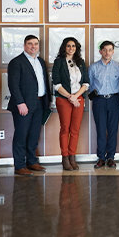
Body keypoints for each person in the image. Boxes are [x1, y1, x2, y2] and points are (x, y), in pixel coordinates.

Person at [8, 35, 52, 176]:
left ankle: (32, 162)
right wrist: (20, 103)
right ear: (24, 45)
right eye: (30, 44)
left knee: (34, 135)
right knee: (21, 135)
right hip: (24, 105)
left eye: (36, 44)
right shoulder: (16, 62)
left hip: (39, 103)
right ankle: (19, 165)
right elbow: (13, 85)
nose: (33, 46)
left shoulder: (40, 61)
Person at [52, 37, 89, 171]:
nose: (71, 48)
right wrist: (69, 97)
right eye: (68, 46)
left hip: (78, 99)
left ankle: (72, 156)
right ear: (64, 47)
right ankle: (65, 157)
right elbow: (56, 83)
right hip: (63, 99)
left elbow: (86, 83)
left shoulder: (80, 62)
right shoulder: (59, 62)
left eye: (73, 46)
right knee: (65, 128)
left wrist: (76, 96)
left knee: (75, 130)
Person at [89, 40, 119, 168]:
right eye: (104, 50)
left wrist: (113, 94)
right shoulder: (93, 67)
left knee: (112, 130)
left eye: (110, 50)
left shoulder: (118, 68)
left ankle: (110, 157)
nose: (107, 52)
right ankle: (101, 157)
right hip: (98, 101)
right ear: (100, 51)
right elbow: (90, 86)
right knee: (100, 129)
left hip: (113, 100)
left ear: (113, 52)